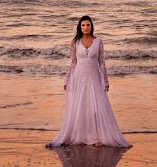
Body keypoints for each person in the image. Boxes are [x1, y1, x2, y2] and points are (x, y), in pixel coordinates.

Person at [47, 16, 131, 148]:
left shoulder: (98, 42)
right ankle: (80, 137)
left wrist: (105, 80)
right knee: (80, 108)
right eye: (83, 25)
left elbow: (102, 63)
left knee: (96, 107)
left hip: (94, 77)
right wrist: (67, 79)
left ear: (91, 26)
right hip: (78, 77)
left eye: (88, 25)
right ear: (80, 27)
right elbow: (73, 63)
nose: (85, 27)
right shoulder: (75, 42)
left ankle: (98, 137)